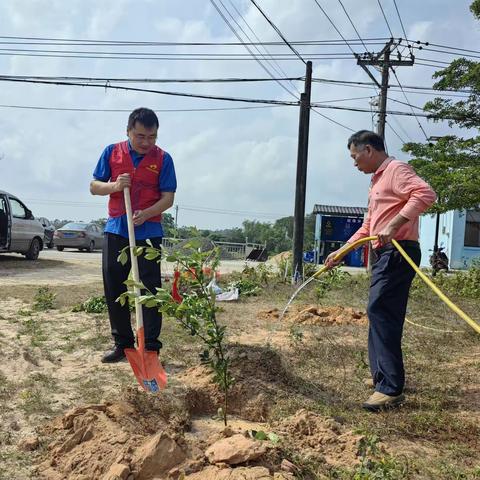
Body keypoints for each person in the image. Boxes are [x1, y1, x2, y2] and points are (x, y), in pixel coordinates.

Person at [325, 130, 436, 411]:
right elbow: (369, 226)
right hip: (384, 252)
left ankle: (390, 388)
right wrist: (341, 251)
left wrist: (395, 224)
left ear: (369, 150)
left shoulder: (396, 170)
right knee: (380, 312)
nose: (354, 164)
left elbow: (426, 193)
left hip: (399, 251)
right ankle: (383, 377)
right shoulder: (376, 182)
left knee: (380, 310)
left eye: (355, 156)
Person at [90, 107, 177, 363]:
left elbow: (168, 198)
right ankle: (123, 345)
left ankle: (150, 347)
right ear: (128, 131)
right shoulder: (111, 152)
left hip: (148, 233)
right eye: (140, 136)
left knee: (150, 291)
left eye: (152, 137)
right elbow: (94, 186)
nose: (146, 142)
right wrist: (115, 186)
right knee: (115, 288)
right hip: (117, 230)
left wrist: (148, 213)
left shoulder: (163, 159)